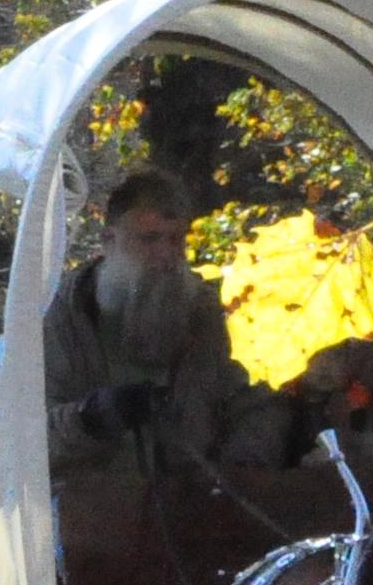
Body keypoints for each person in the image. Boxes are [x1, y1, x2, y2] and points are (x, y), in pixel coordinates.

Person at [38, 171, 239, 471]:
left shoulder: (202, 310)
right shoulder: (64, 315)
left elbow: (230, 405)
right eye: (149, 239)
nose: (166, 254)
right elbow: (27, 440)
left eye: (175, 239)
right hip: (89, 504)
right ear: (109, 241)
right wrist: (91, 418)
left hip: (191, 500)